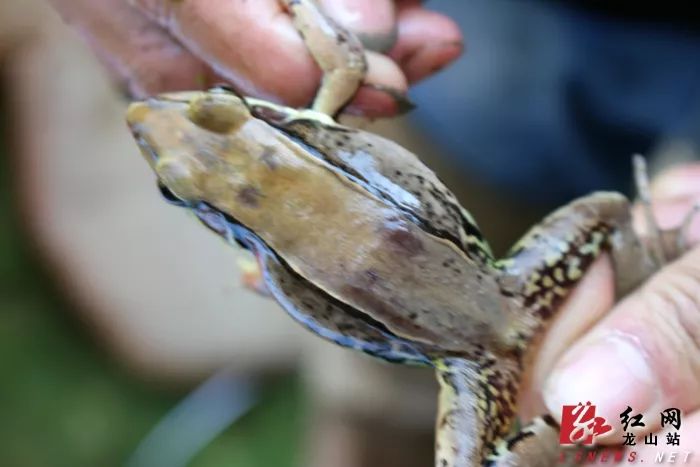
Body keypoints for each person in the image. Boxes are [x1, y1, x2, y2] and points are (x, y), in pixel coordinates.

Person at [48, 0, 700, 454]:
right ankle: (658, 252)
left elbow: (282, 288)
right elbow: (345, 62)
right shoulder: (317, 115)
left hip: (471, 359)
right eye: (179, 184)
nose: (152, 114)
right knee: (614, 209)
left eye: (215, 111)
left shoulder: (266, 257)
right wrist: (308, 11)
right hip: (516, 283)